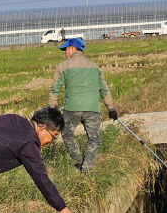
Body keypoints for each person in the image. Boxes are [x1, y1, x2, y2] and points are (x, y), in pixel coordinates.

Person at [48, 37, 117, 171]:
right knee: (94, 139)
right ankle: (87, 168)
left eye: (65, 49)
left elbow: (55, 88)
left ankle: (78, 162)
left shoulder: (64, 65)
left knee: (67, 134)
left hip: (72, 109)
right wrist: (111, 108)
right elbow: (104, 88)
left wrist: (51, 107)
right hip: (92, 109)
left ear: (72, 49)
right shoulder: (94, 66)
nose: (65, 53)